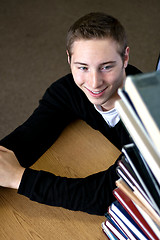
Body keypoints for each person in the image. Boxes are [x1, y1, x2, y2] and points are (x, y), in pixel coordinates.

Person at [0, 12, 141, 215]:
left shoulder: (149, 115)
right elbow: (28, 137)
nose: (94, 82)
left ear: (125, 57)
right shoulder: (69, 90)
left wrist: (17, 178)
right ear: (69, 58)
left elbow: (109, 195)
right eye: (83, 67)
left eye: (106, 67)